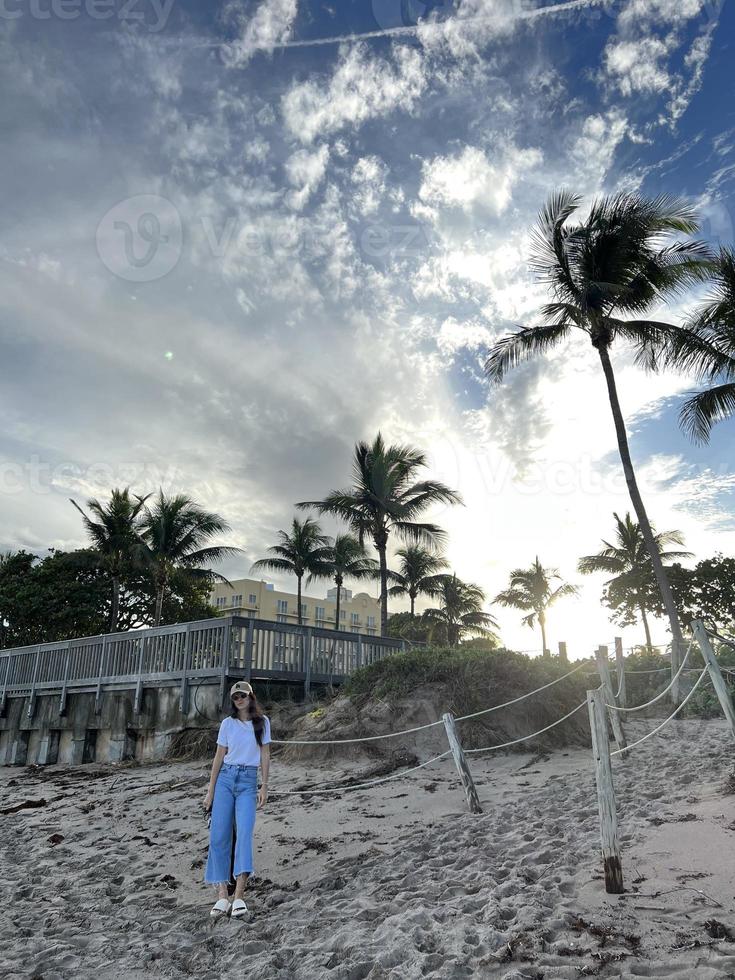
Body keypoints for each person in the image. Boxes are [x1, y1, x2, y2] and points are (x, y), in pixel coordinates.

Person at [203, 681, 271, 918]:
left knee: (243, 833)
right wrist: (210, 791)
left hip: (247, 781)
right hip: (225, 779)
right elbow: (218, 756)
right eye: (235, 697)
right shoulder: (227, 724)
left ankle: (239, 895)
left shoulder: (262, 723)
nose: (239, 700)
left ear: (251, 696)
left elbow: (264, 753)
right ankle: (222, 895)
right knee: (219, 835)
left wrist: (264, 785)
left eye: (242, 695)